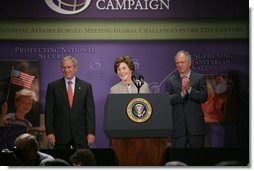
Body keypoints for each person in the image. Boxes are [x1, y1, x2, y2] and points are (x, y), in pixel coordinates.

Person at [44, 55, 96, 149]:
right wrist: (50, 132)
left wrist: (91, 133)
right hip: (60, 136)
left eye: (69, 67)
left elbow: (90, 112)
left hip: (81, 135)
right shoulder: (53, 87)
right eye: (64, 67)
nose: (66, 70)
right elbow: (49, 112)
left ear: (75, 68)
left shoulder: (86, 86)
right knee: (61, 163)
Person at [165, 50, 208, 148]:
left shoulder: (199, 78)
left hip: (196, 128)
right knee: (178, 159)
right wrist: (181, 94)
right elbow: (167, 99)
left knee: (197, 160)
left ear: (189, 62)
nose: (179, 65)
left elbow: (204, 97)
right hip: (178, 128)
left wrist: (189, 89)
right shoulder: (170, 80)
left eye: (182, 62)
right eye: (177, 63)